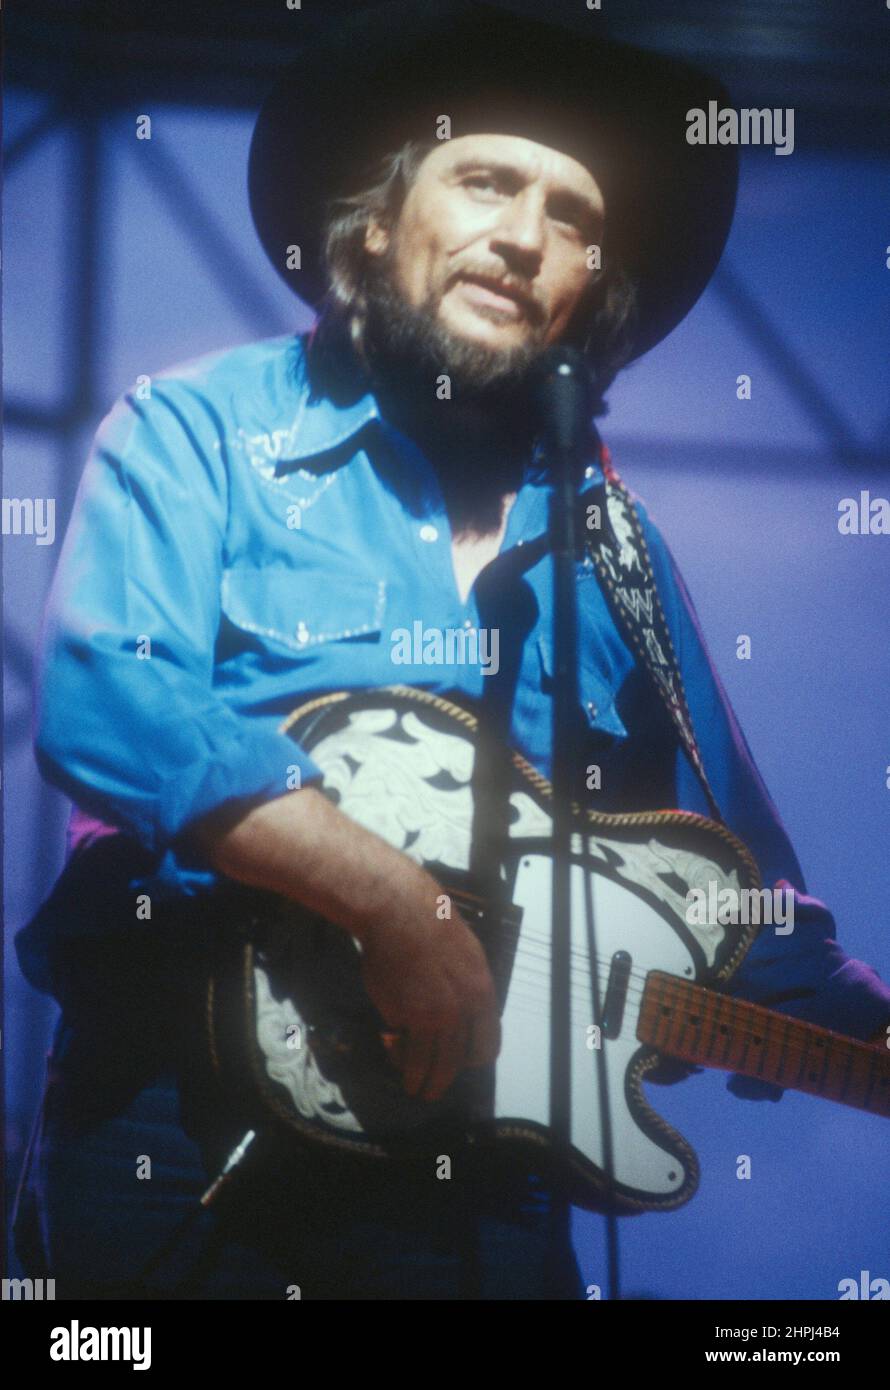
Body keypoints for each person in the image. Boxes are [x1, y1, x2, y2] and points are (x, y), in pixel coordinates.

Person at [13, 1, 890, 1301]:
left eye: (575, 217)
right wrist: (391, 898)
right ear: (374, 221)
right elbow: (107, 704)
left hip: (483, 1189)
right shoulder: (201, 426)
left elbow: (743, 904)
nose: (527, 237)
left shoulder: (621, 551)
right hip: (175, 1136)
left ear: (597, 286)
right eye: (485, 180)